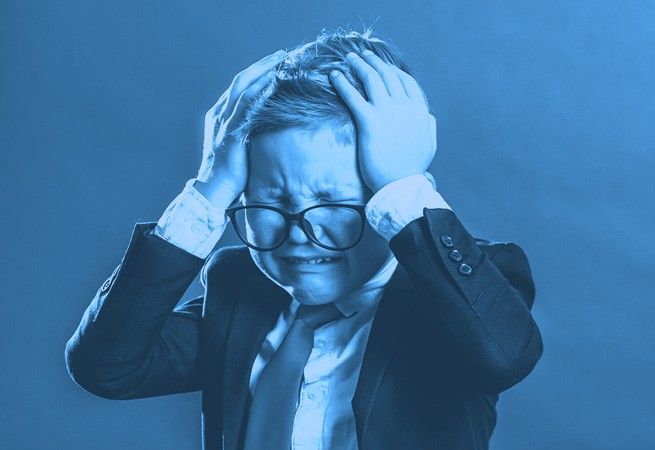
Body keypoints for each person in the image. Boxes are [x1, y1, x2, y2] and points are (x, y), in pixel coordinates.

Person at [65, 28, 543, 450]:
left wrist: (404, 184)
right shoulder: (237, 289)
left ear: (386, 199)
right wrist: (209, 190)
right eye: (268, 204)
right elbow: (106, 367)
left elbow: (504, 357)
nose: (298, 234)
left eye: (334, 206)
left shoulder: (463, 293)